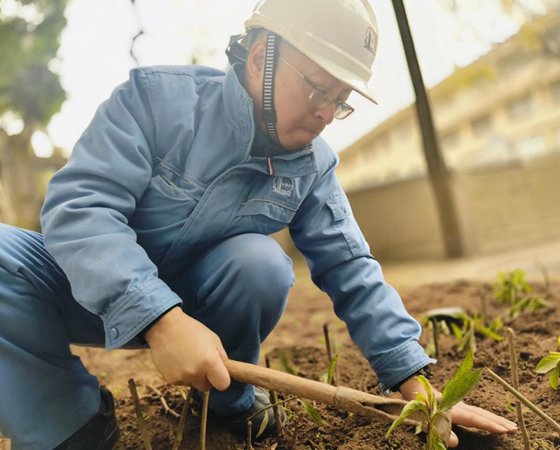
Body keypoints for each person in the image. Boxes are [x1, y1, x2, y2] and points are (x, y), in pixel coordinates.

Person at [0, 0, 517, 448]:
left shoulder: (312, 166)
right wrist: (160, 320)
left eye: (340, 101)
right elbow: (81, 208)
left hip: (205, 313)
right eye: (318, 88)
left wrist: (416, 383)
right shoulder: (156, 102)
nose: (325, 113)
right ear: (259, 58)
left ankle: (229, 404)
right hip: (88, 288)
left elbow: (352, 268)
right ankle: (72, 424)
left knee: (259, 263)